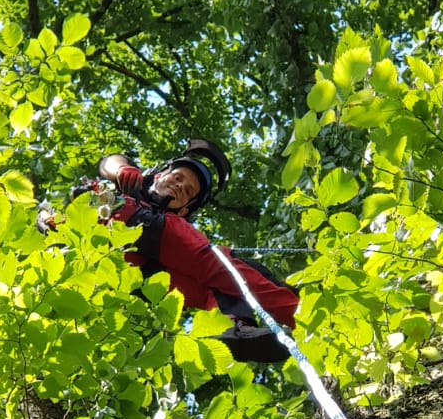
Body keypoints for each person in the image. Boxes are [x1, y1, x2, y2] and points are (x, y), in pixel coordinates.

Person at [41, 140, 299, 364]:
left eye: (187, 191)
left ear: (184, 209)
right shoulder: (133, 189)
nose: (179, 186)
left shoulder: (175, 222)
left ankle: (232, 327)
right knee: (223, 264)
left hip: (143, 273)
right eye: (177, 178)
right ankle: (299, 311)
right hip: (122, 226)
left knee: (214, 287)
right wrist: (123, 170)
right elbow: (110, 162)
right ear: (159, 176)